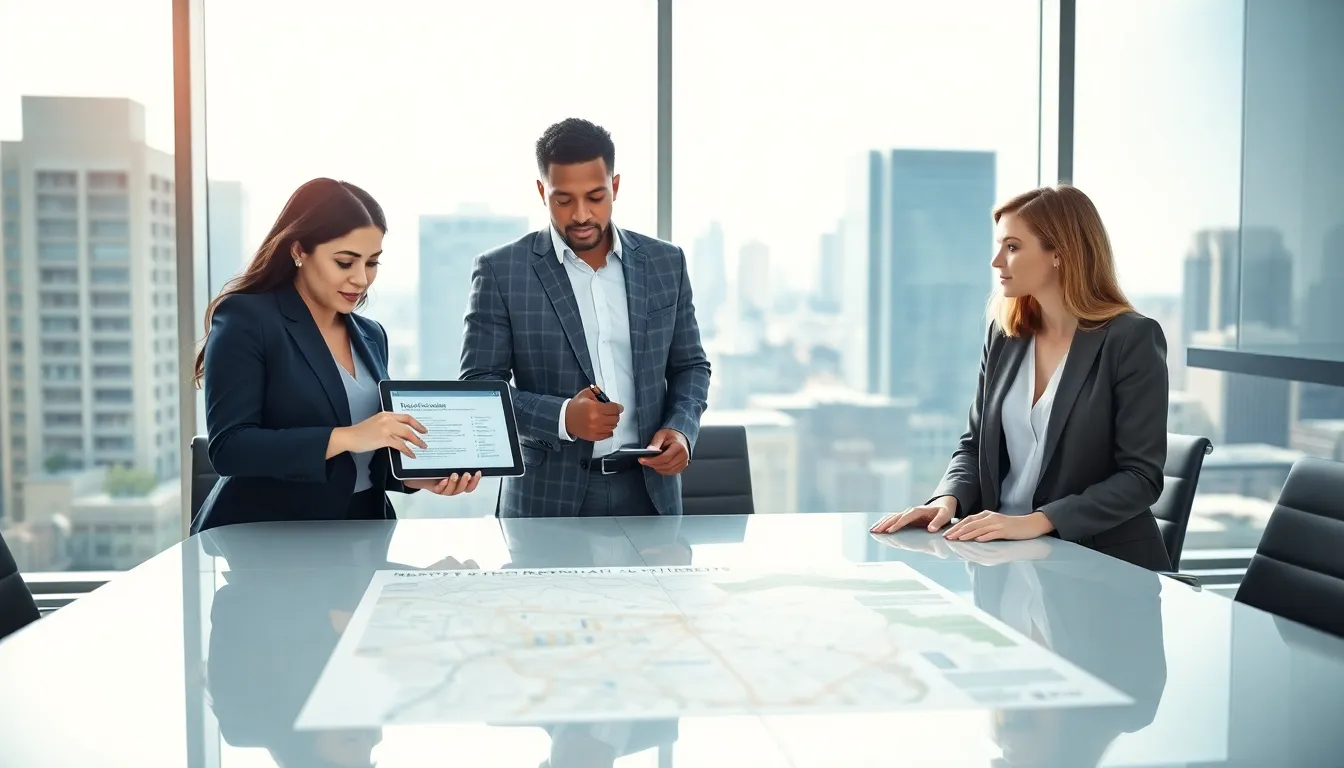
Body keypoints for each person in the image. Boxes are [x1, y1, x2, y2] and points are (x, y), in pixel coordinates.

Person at [871, 184, 1172, 571]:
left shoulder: (1131, 339)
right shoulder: (1005, 336)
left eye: (1012, 247)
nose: (997, 261)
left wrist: (1035, 523)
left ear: (1060, 253)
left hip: (1101, 565)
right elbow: (974, 445)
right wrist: (946, 502)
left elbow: (1140, 478)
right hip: (1003, 558)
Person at [191, 178, 480, 533]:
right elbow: (229, 448)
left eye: (372, 263)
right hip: (267, 537)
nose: (361, 279)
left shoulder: (371, 335)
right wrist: (348, 436)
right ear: (299, 251)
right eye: (345, 262)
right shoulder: (247, 319)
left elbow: (362, 462)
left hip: (362, 531)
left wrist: (414, 479)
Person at [460, 118, 711, 518]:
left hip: (650, 492)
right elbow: (478, 389)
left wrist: (681, 429)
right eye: (563, 200)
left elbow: (691, 366)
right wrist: (562, 417)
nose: (580, 215)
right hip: (546, 498)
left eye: (595, 197)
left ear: (614, 187)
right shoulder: (501, 271)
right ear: (542, 192)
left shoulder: (666, 263)